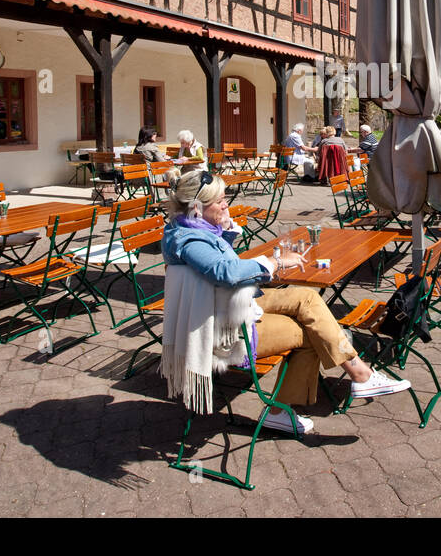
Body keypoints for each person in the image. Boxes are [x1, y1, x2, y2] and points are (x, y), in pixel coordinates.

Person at [159, 169, 410, 434]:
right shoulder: (190, 239)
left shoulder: (190, 228)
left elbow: (219, 263)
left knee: (307, 297)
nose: (226, 203)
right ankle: (282, 409)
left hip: (229, 304)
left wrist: (226, 229)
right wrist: (275, 262)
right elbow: (226, 272)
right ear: (198, 207)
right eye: (220, 200)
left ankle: (360, 375)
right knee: (312, 334)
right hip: (222, 329)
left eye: (225, 197)